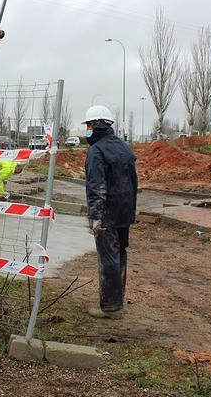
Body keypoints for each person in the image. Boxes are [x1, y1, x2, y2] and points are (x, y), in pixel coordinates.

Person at [83, 105, 138, 319]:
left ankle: (110, 306)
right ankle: (118, 297)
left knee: (108, 258)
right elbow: (133, 182)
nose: (87, 129)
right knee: (120, 255)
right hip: (124, 213)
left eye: (88, 125)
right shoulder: (124, 148)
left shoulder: (97, 151)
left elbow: (96, 186)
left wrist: (95, 216)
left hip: (107, 214)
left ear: (97, 124)